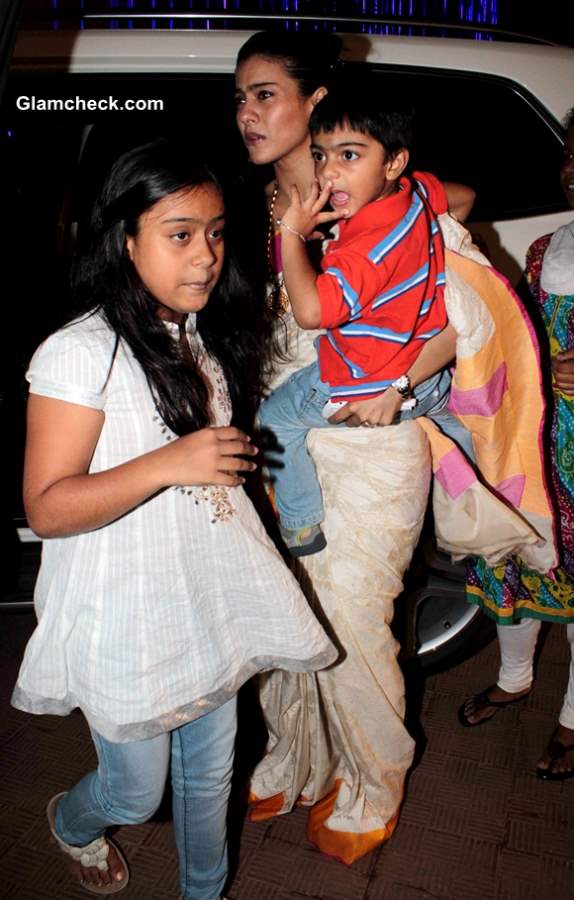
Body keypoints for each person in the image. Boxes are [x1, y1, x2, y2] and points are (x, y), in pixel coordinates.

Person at [10, 138, 337, 898]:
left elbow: (208, 480)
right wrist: (171, 464)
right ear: (126, 240)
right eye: (180, 234)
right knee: (134, 793)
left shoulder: (194, 336)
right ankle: (72, 822)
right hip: (123, 608)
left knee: (211, 775)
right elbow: (46, 506)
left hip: (202, 596)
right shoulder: (77, 353)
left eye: (217, 233)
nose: (206, 256)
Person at [234, 30, 480, 865]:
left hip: (373, 442)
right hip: (287, 439)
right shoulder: (260, 204)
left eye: (265, 94)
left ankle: (377, 775)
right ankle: (297, 756)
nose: (245, 113)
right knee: (279, 602)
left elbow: (461, 320)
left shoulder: (402, 206)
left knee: (350, 616)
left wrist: (401, 389)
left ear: (315, 102)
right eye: (239, 97)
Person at [258, 89, 473, 556]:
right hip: (432, 380)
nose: (329, 172)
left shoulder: (364, 250)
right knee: (460, 429)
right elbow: (463, 197)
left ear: (394, 162)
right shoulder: (415, 193)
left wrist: (290, 233)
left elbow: (312, 312)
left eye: (349, 155)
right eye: (321, 156)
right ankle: (474, 475)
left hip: (361, 388)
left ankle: (299, 524)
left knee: (272, 419)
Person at [459, 108, 574, 781]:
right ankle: (516, 677)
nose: (571, 172)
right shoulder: (547, 249)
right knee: (518, 558)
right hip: (536, 442)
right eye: (569, 154)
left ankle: (571, 721)